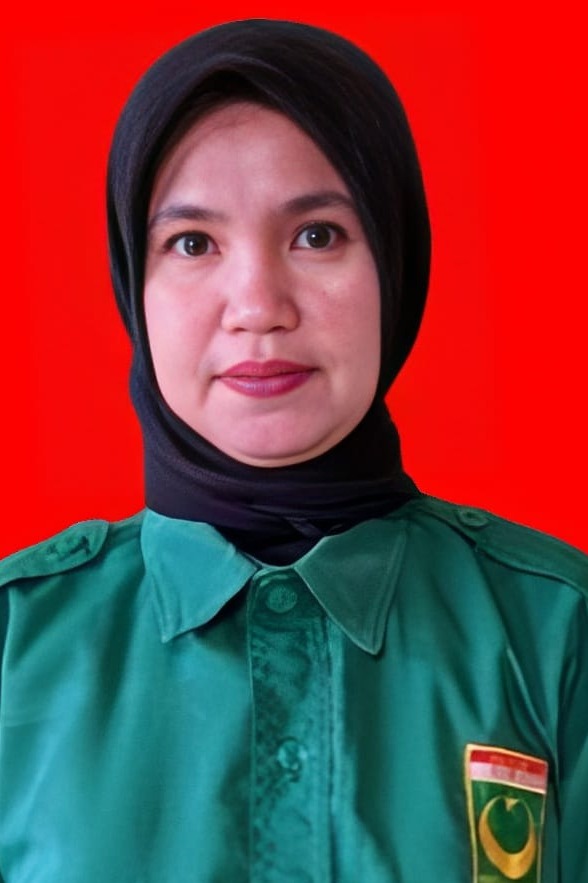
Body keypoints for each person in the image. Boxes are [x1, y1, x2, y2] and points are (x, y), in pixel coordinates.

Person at [0, 18, 586, 883]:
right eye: (193, 243)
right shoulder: (15, 646)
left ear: (396, 260)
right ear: (134, 282)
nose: (258, 305)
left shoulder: (558, 634)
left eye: (318, 234)